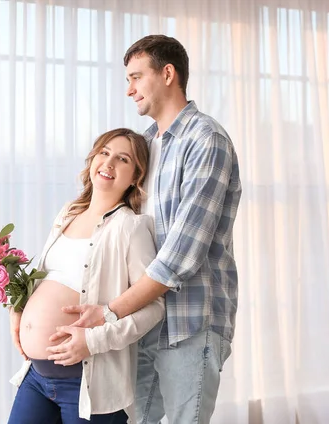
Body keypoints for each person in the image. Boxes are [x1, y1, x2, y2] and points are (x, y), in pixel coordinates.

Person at [50, 35, 242, 423]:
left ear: (167, 74)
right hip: (142, 323)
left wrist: (109, 313)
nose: (129, 89)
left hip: (190, 323)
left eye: (136, 77)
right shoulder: (147, 147)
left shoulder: (206, 140)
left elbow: (180, 256)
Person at [7, 128, 166, 424]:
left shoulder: (130, 228)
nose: (109, 164)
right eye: (104, 153)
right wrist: (18, 308)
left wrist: (93, 341)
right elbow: (46, 278)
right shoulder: (68, 212)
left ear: (135, 177)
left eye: (122, 159)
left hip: (87, 384)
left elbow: (154, 308)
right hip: (36, 376)